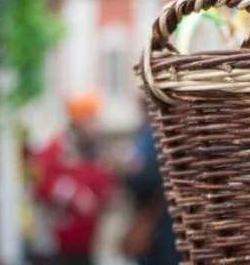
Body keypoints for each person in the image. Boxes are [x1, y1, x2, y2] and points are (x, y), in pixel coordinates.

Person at [31, 92, 113, 265]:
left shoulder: (96, 149)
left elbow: (104, 184)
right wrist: (74, 194)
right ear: (77, 120)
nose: (94, 125)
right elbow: (42, 181)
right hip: (58, 241)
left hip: (87, 241)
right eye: (89, 119)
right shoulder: (57, 147)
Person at [122, 122, 178, 265]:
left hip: (163, 232)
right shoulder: (147, 134)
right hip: (160, 229)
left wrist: (129, 173)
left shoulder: (156, 136)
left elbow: (149, 178)